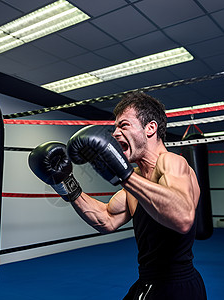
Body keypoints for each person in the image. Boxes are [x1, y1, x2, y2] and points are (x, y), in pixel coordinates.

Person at [28, 92, 207, 300]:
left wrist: (124, 175)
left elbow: (183, 217)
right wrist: (64, 182)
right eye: (115, 128)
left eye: (124, 126)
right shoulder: (137, 179)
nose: (115, 133)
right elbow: (106, 219)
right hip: (148, 282)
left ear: (150, 128)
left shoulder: (172, 163)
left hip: (177, 287)